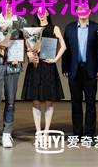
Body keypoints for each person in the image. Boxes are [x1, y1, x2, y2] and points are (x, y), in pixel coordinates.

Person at [0, 0, 28, 149]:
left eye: (10, 4)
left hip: (13, 65)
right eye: (5, 4)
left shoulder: (21, 21)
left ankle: (7, 133)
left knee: (10, 99)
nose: (8, 6)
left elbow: (26, 43)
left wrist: (20, 57)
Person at [22, 7, 67, 142]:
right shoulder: (32, 29)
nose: (41, 14)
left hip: (48, 66)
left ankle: (46, 132)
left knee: (49, 100)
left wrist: (55, 59)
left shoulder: (54, 28)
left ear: (47, 13)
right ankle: (38, 132)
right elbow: (27, 47)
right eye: (38, 12)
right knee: (35, 100)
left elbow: (64, 46)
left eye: (43, 11)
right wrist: (29, 54)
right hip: (35, 66)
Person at [62, 3, 98, 138]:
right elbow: (66, 50)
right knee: (76, 103)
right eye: (80, 9)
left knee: (90, 103)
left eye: (85, 9)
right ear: (76, 11)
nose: (83, 11)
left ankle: (89, 134)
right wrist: (65, 67)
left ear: (90, 11)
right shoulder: (69, 28)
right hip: (74, 69)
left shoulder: (96, 28)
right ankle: (77, 133)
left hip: (90, 69)